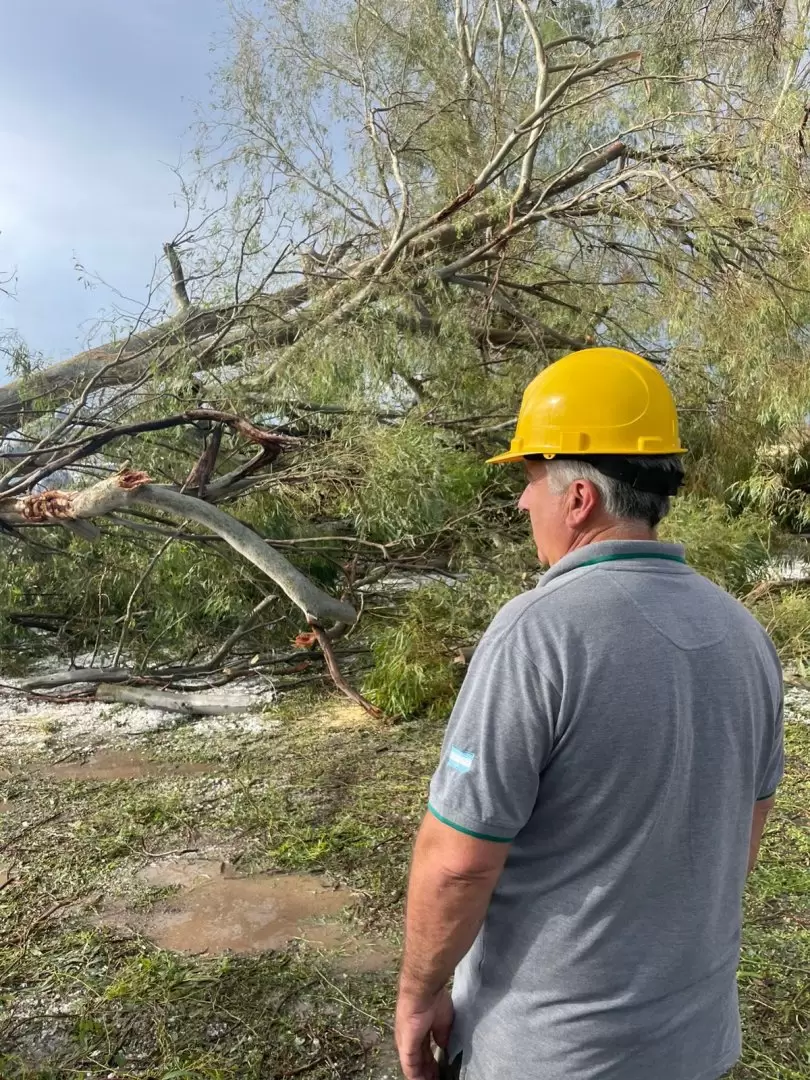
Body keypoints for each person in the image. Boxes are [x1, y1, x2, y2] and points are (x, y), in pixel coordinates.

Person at [394, 347, 784, 1080]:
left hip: (553, 1054)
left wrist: (419, 995)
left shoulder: (537, 632)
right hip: (695, 1044)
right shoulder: (746, 634)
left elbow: (456, 864)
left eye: (531, 478)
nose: (521, 501)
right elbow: (740, 842)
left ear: (579, 499)